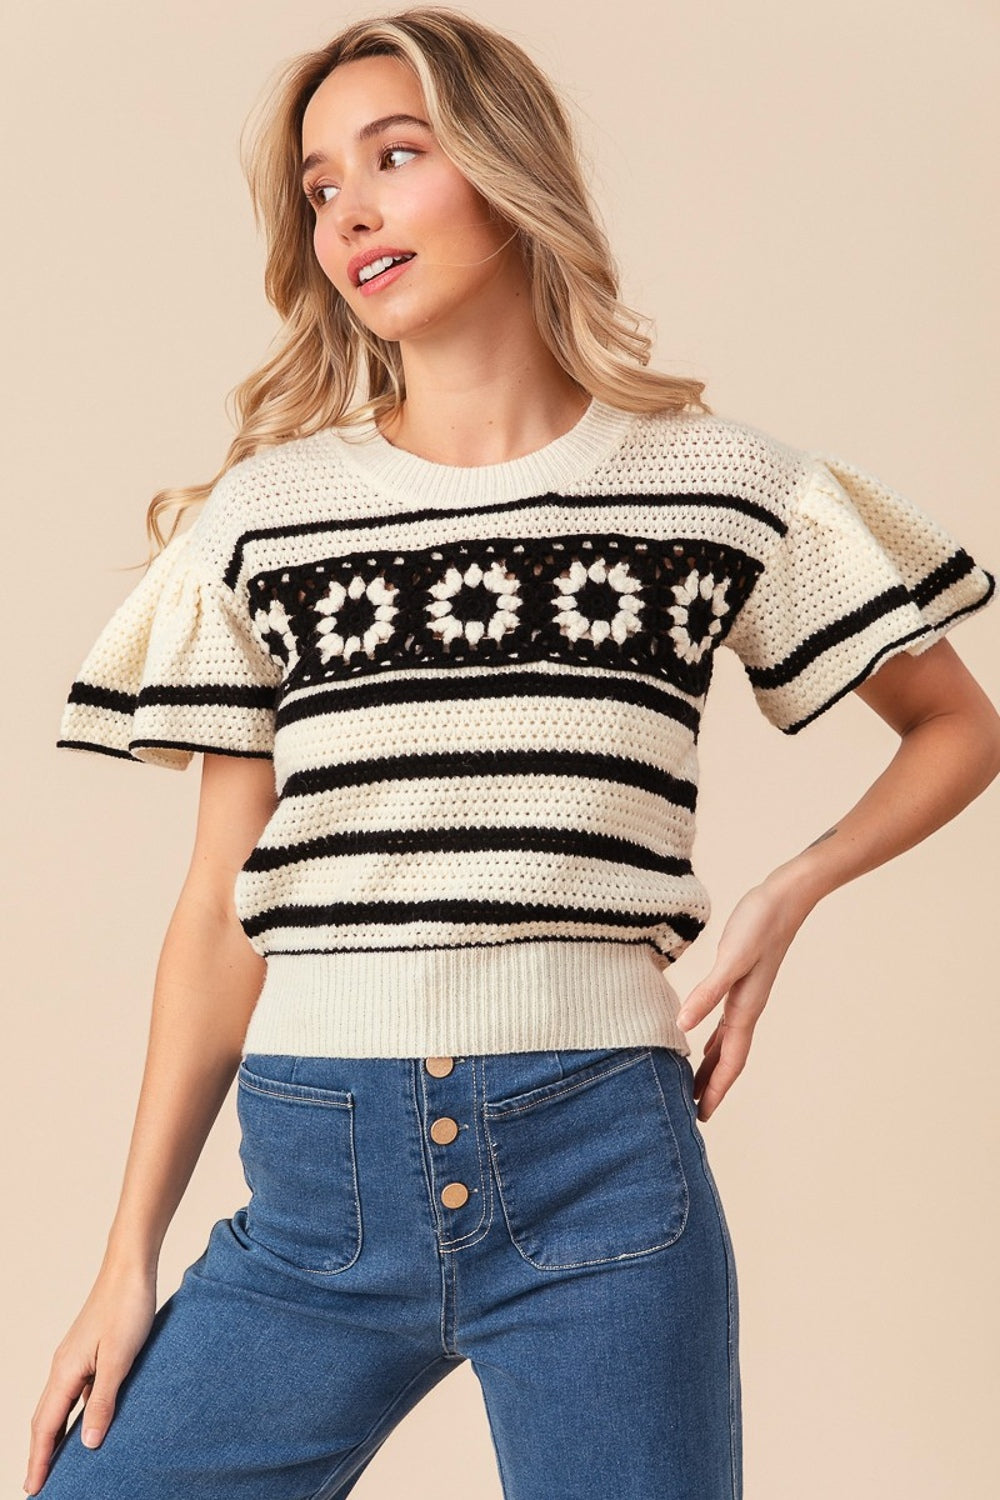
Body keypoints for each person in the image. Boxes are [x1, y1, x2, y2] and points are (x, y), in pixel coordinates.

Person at [27, 6, 1000, 1498]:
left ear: (505, 168)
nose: (349, 209)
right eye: (319, 186)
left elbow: (957, 726)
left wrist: (782, 896)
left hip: (603, 1163)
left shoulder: (722, 488)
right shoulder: (266, 519)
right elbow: (220, 909)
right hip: (315, 1193)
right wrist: (123, 1258)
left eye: (394, 156)